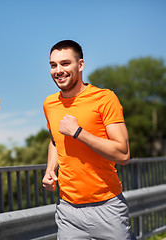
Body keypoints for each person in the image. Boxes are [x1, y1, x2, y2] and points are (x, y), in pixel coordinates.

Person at [42, 40, 135, 239]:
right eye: (53, 65)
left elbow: (123, 154)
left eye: (65, 63)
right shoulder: (49, 103)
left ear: (81, 65)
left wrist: (79, 132)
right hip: (68, 211)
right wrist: (50, 170)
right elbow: (54, 140)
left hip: (107, 208)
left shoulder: (104, 98)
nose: (58, 70)